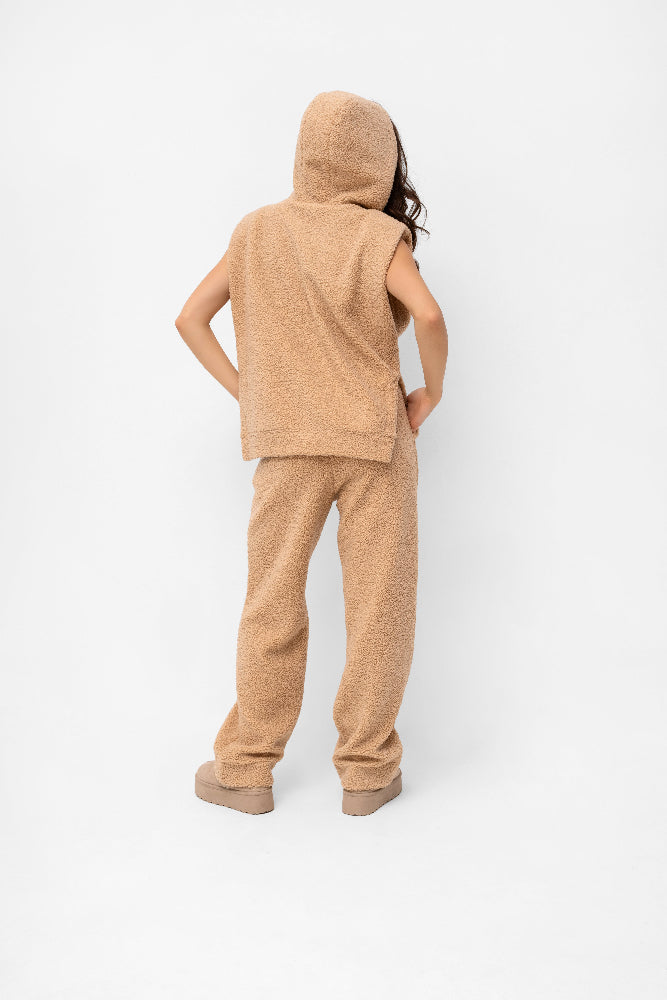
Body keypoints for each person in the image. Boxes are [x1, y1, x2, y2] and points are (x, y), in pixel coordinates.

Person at [175, 90, 448, 816]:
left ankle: (245, 769)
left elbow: (191, 318)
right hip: (375, 441)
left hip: (287, 443)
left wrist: (252, 394)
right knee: (380, 605)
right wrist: (431, 392)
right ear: (378, 161)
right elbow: (426, 314)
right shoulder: (378, 237)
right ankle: (367, 772)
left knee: (271, 601)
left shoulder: (257, 230)